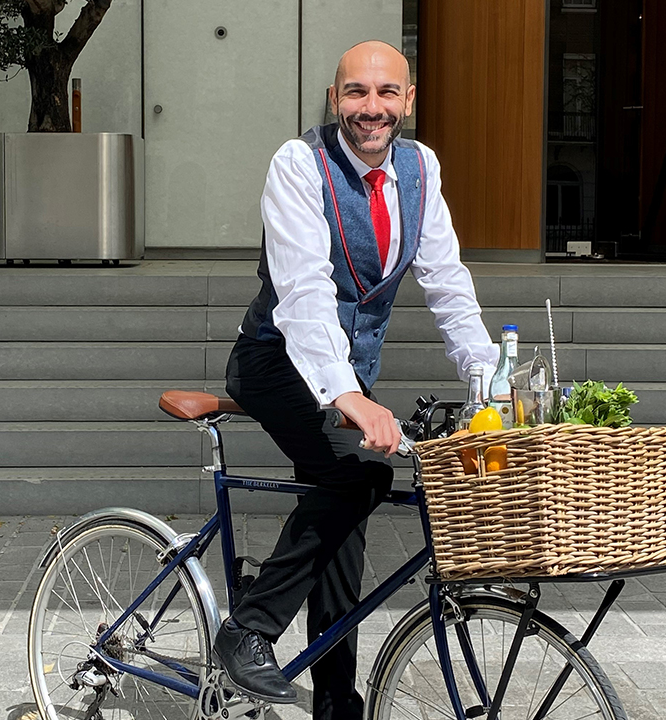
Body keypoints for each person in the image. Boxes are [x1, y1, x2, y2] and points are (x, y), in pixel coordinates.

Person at [212, 39, 498, 719]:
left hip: (345, 377)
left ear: (408, 100)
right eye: (356, 93)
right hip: (276, 361)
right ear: (335, 97)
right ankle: (248, 629)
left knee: (347, 522)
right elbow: (304, 292)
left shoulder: (419, 169)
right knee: (359, 477)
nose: (371, 108)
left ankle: (336, 701)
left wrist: (489, 380)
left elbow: (448, 284)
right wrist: (346, 398)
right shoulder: (298, 164)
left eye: (386, 93)